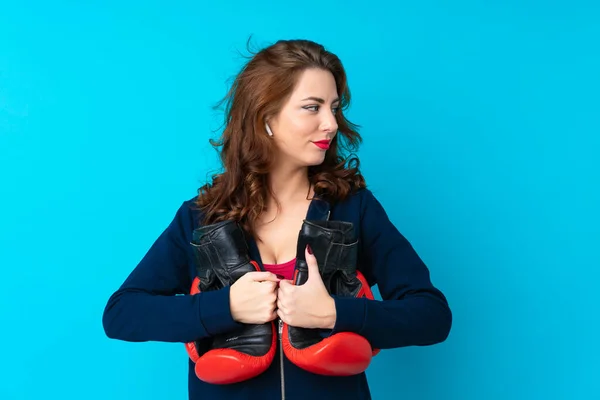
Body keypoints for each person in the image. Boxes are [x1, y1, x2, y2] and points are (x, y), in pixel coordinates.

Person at [102, 38, 452, 400]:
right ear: (266, 118)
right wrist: (226, 307)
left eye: (333, 108)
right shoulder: (200, 218)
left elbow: (432, 315)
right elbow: (121, 313)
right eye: (312, 107)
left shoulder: (354, 209)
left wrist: (335, 313)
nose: (331, 124)